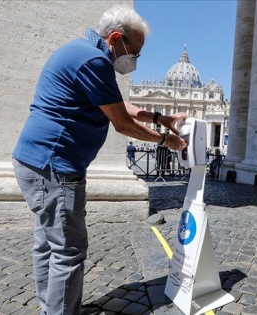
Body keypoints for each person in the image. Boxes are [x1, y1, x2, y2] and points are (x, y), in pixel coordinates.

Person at [11, 5, 187, 315]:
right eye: (135, 52)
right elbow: (122, 123)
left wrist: (161, 117)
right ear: (117, 38)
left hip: (34, 161)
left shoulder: (82, 52)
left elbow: (120, 105)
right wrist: (164, 140)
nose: (134, 60)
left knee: (47, 244)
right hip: (55, 165)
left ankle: (50, 308)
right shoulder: (94, 61)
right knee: (68, 251)